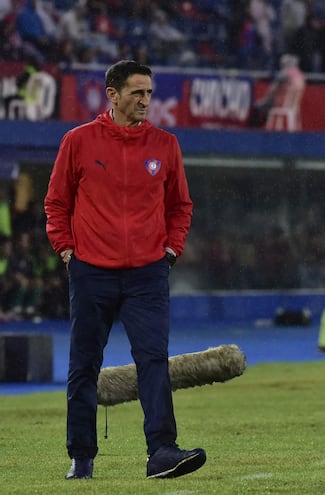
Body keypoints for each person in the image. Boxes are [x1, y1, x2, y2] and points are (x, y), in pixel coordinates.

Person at [44, 59, 206, 480]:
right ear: (112, 95)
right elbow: (56, 204)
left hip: (148, 274)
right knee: (84, 366)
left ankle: (162, 453)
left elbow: (180, 206)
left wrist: (170, 252)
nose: (145, 100)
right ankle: (81, 458)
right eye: (138, 92)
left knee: (153, 361)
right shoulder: (77, 142)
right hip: (91, 272)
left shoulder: (165, 145)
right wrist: (67, 252)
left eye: (150, 93)